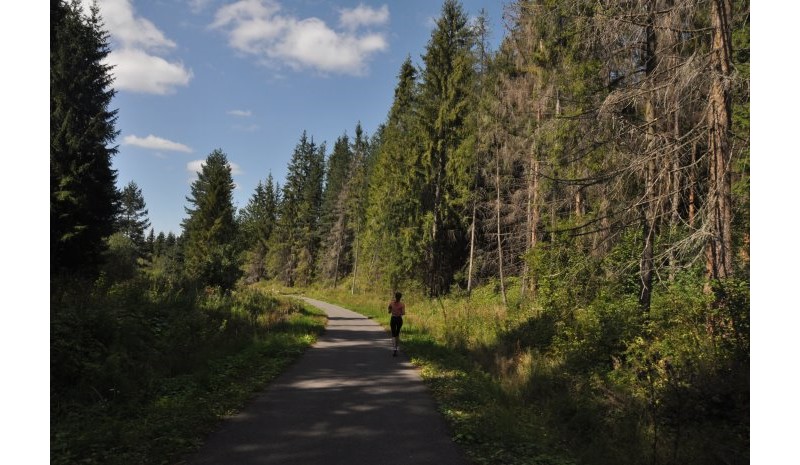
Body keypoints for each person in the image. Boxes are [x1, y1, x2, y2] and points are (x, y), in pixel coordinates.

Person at [387, 291, 405, 357]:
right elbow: (403, 313)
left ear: (395, 296)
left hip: (393, 318)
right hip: (399, 319)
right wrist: (399, 312)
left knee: (393, 334)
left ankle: (394, 348)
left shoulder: (391, 303)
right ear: (400, 297)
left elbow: (389, 312)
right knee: (397, 333)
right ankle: (396, 348)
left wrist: (391, 310)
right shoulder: (402, 304)